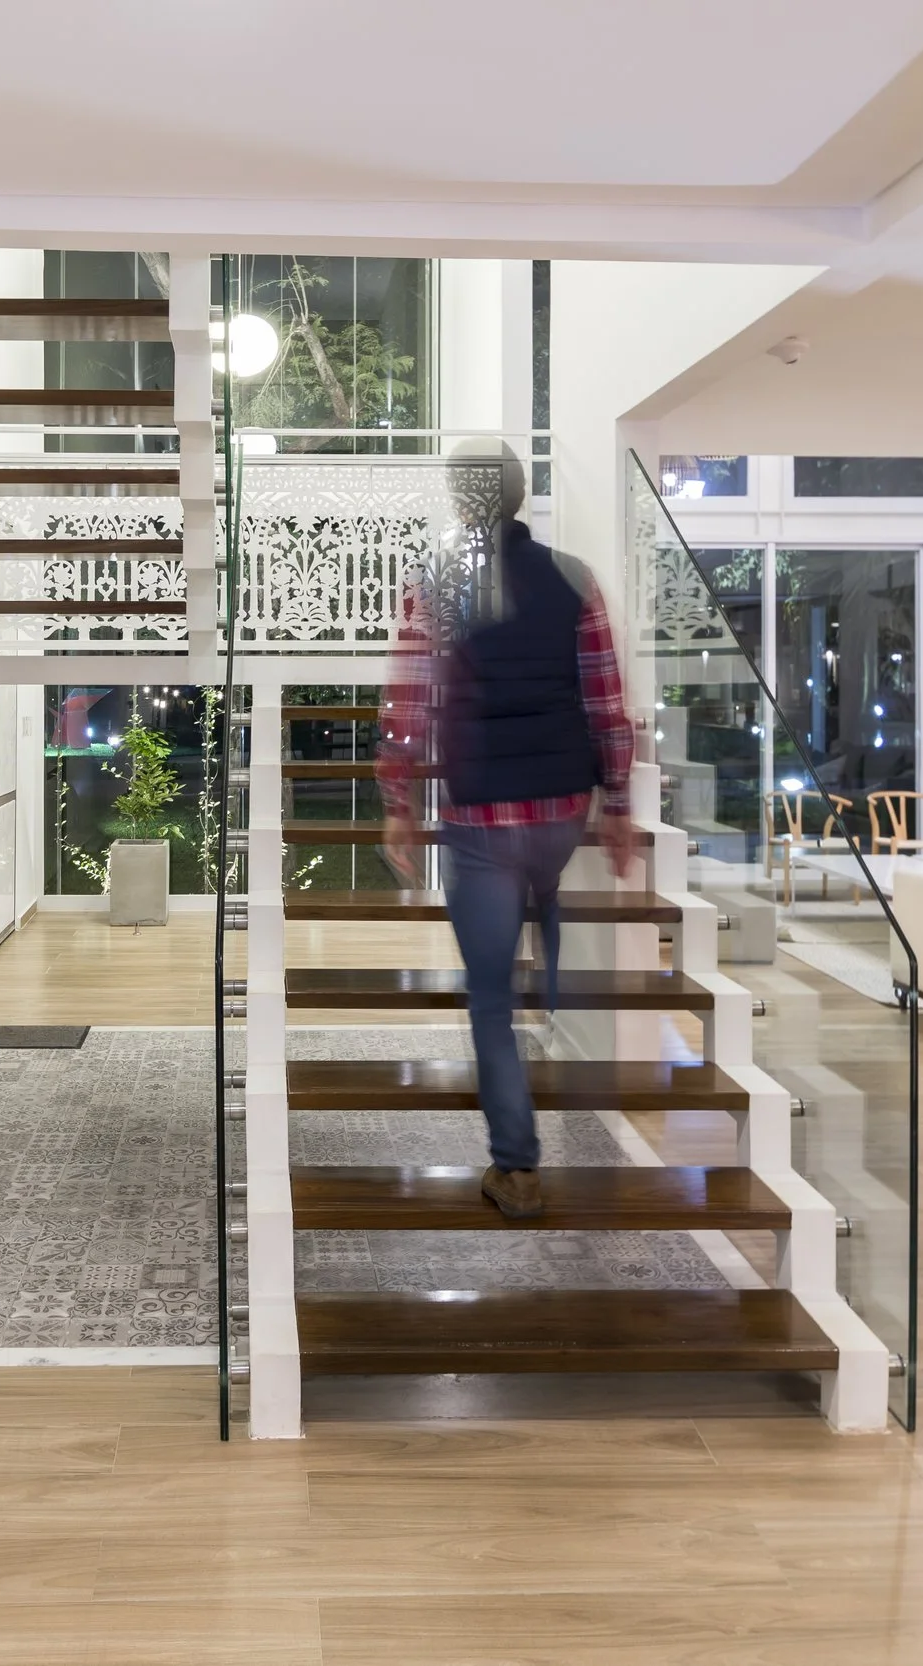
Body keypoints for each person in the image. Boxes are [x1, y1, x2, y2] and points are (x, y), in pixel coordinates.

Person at [375, 442, 635, 1219]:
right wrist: (616, 805)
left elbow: (410, 697)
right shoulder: (576, 578)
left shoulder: (437, 582)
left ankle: (516, 1168)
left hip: (480, 814)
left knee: (489, 995)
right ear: (522, 500)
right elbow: (605, 700)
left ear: (460, 504)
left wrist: (397, 802)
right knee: (548, 905)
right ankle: (557, 993)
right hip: (561, 808)